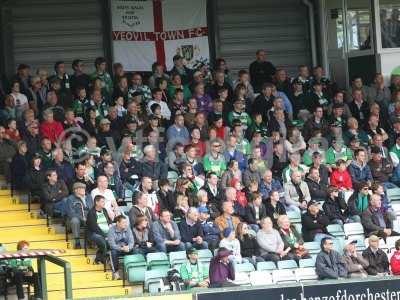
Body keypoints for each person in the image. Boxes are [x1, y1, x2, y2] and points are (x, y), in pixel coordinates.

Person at [65, 182, 94, 249]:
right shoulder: (70, 199)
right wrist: (82, 218)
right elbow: (71, 213)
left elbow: (93, 208)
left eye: (84, 188)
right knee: (75, 220)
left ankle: (91, 240)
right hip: (76, 218)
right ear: (75, 190)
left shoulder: (89, 196)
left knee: (93, 220)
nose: (84, 190)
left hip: (88, 217)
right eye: (81, 188)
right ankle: (77, 242)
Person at [108, 215, 135, 280]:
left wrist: (128, 247)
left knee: (136, 250)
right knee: (113, 252)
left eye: (126, 222)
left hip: (127, 249)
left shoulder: (128, 228)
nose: (125, 224)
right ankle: (116, 273)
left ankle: (133, 270)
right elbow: (112, 244)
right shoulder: (111, 230)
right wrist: (121, 248)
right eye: (123, 222)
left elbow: (131, 241)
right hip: (117, 249)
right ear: (117, 223)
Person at [86, 195, 112, 264]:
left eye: (104, 201)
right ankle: (103, 259)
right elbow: (94, 228)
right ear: (97, 202)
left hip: (107, 233)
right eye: (102, 201)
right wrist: (105, 236)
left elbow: (109, 220)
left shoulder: (104, 210)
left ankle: (98, 259)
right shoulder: (91, 213)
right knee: (102, 240)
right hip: (94, 233)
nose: (104, 203)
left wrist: (110, 224)